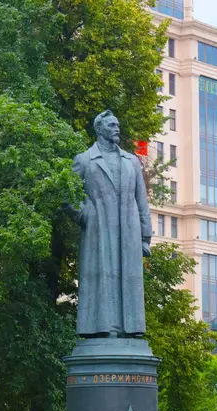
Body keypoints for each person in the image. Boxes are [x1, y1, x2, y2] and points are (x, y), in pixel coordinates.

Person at [63, 110, 152, 337]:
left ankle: (130, 330)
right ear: (99, 129)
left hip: (128, 229)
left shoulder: (132, 161)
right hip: (98, 229)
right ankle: (101, 329)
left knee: (127, 278)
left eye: (117, 124)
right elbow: (68, 195)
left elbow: (141, 200)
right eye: (111, 125)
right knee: (102, 276)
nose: (116, 128)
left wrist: (145, 236)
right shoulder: (84, 159)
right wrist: (86, 215)